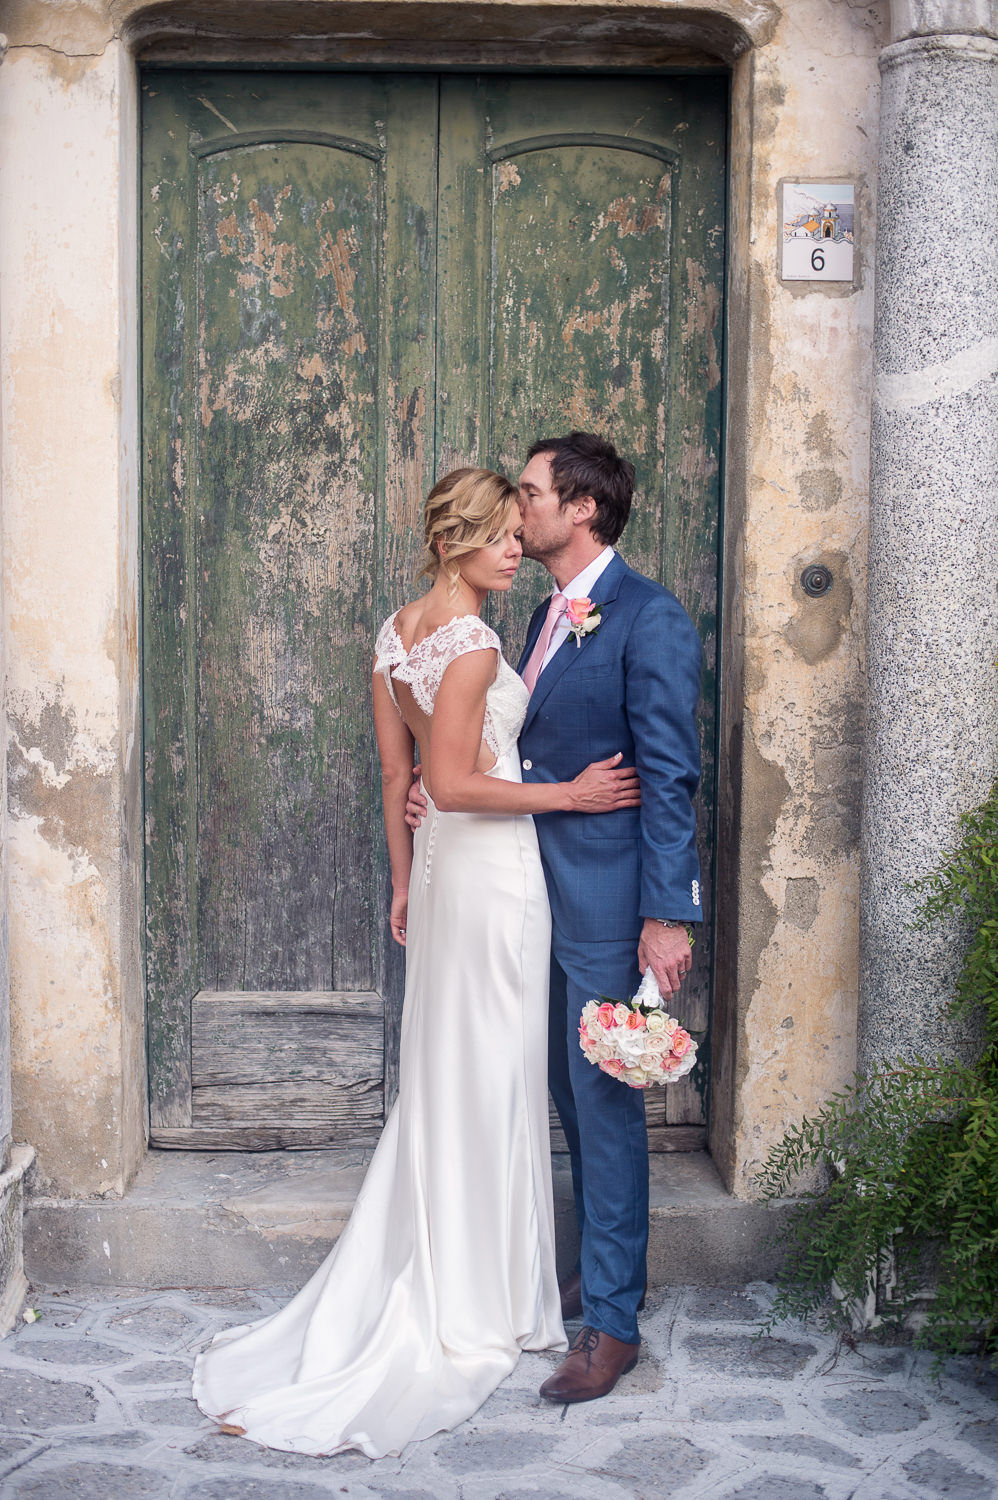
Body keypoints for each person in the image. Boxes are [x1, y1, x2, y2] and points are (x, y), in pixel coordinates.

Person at [192, 466, 641, 1458]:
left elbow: (399, 779)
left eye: (518, 536)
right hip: (491, 882)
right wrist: (567, 797)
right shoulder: (474, 643)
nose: (515, 548)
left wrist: (401, 885)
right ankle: (482, 1292)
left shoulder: (393, 636)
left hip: (442, 883)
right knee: (491, 1075)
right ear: (454, 543)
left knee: (458, 1071)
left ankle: (472, 1263)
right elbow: (445, 779)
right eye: (499, 538)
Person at [409, 431, 702, 1404]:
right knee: (569, 1100)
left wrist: (666, 914)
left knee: (606, 1107)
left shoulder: (647, 619)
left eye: (530, 492)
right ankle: (597, 1269)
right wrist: (439, 793)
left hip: (610, 909)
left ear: (581, 510)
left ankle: (610, 1325)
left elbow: (666, 776)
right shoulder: (539, 613)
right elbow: (515, 754)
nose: (517, 508)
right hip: (528, 900)